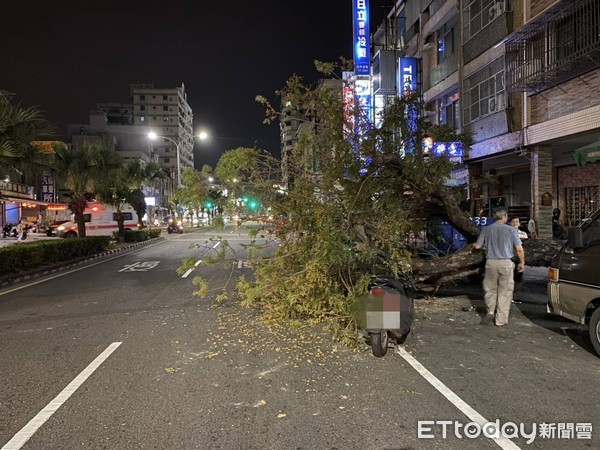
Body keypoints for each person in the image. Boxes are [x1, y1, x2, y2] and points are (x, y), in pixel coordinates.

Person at [473, 208, 525, 327]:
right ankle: (500, 319)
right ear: (504, 217)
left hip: (490, 262)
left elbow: (477, 246)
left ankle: (490, 311)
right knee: (505, 291)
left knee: (490, 288)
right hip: (505, 263)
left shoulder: (486, 229)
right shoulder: (511, 230)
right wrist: (522, 262)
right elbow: (519, 248)